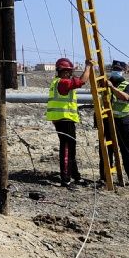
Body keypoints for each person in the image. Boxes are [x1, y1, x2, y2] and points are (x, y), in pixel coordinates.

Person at [46, 56, 92, 188]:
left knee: (71, 149)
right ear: (63, 71)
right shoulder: (63, 83)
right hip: (65, 119)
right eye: (69, 71)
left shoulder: (56, 82)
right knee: (67, 149)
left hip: (62, 119)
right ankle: (65, 179)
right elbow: (82, 81)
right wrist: (88, 66)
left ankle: (75, 176)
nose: (70, 74)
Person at [105, 60, 129, 189]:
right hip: (108, 121)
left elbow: (126, 97)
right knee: (106, 151)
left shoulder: (128, 85)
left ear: (123, 71)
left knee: (127, 151)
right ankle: (105, 177)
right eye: (114, 69)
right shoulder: (103, 83)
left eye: (118, 69)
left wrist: (111, 87)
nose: (116, 71)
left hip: (123, 121)